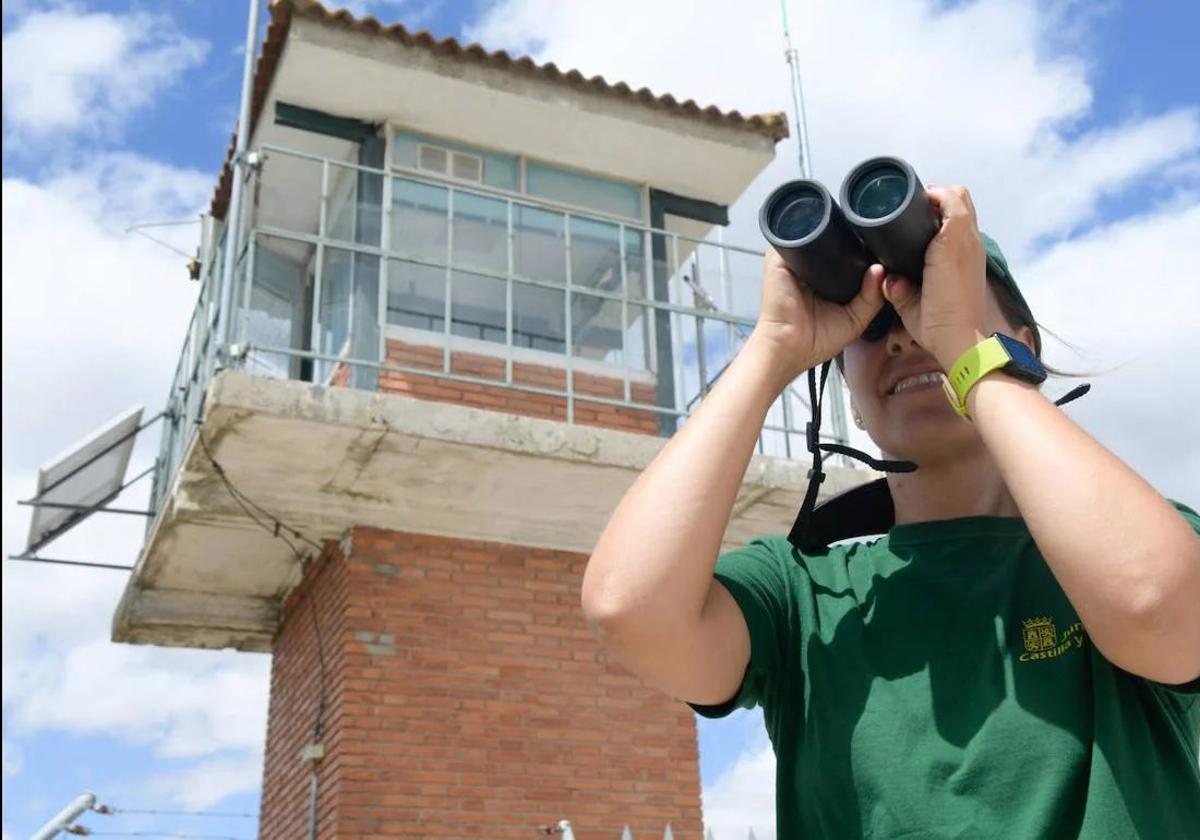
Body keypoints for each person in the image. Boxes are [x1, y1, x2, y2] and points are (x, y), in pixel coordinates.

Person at [581, 185, 1200, 838]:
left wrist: (968, 354)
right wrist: (773, 349)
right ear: (848, 394)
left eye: (933, 304)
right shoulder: (804, 600)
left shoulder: (1139, 542)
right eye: (875, 325)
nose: (905, 335)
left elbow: (1155, 604)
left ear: (1024, 346)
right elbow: (630, 609)